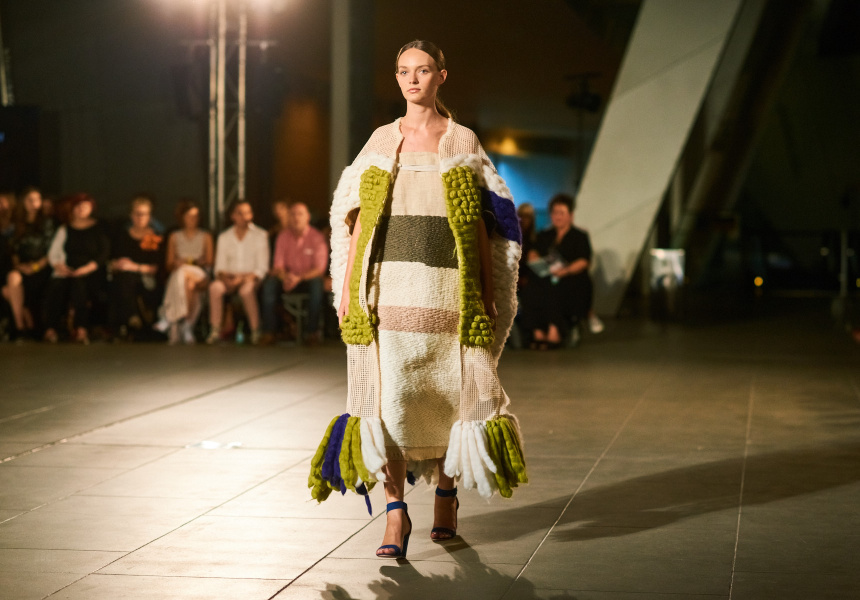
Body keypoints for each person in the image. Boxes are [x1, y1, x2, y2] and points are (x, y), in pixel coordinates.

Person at [308, 40, 528, 559]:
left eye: (423, 70)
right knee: (391, 400)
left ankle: (446, 498)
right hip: (389, 289)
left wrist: (488, 289)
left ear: (441, 76)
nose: (412, 79)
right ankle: (395, 513)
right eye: (404, 71)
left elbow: (486, 221)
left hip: (450, 290)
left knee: (452, 395)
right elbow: (354, 219)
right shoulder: (382, 141)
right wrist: (347, 286)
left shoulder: (462, 140)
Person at [521, 193, 601, 349]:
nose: (557, 217)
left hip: (571, 278)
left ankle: (554, 329)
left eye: (561, 213)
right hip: (547, 276)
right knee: (531, 288)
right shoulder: (545, 235)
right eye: (555, 213)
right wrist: (534, 256)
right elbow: (534, 252)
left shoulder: (579, 236)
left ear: (570, 215)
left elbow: (584, 261)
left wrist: (565, 271)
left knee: (556, 287)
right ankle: (537, 331)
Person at [44, 193, 110, 343]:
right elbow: (53, 252)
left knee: (79, 287)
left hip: (91, 271)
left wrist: (87, 268)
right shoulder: (65, 228)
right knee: (56, 286)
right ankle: (50, 329)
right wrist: (59, 266)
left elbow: (104, 252)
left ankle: (81, 329)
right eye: (78, 206)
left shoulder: (98, 228)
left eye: (85, 207)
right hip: (67, 269)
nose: (81, 209)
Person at [260, 202, 328, 345]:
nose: (296, 218)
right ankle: (269, 332)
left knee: (317, 284)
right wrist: (286, 277)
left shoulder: (316, 237)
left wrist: (299, 278)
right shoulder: (283, 237)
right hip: (288, 278)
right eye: (293, 214)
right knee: (269, 285)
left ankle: (312, 332)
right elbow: (278, 265)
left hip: (307, 279)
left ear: (308, 217)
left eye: (300, 214)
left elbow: (319, 269)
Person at [207, 199, 269, 344]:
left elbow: (262, 267)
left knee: (246, 291)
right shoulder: (224, 237)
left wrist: (243, 279)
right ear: (233, 216)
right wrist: (226, 279)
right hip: (229, 277)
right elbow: (219, 267)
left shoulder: (260, 235)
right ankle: (215, 329)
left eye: (247, 213)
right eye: (240, 213)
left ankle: (255, 330)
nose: (244, 217)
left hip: (251, 277)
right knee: (215, 288)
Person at [155, 199, 213, 344]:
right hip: (181, 277)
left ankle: (169, 317)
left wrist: (187, 261)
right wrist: (178, 263)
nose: (193, 219)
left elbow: (209, 261)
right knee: (188, 284)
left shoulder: (205, 236)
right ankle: (187, 324)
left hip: (200, 274)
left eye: (196, 216)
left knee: (182, 272)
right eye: (189, 216)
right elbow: (169, 264)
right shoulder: (174, 237)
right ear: (182, 218)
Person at [1, 187, 55, 340]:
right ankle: (20, 327)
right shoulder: (16, 224)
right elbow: (13, 250)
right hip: (22, 268)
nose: (34, 203)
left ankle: (28, 324)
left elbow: (51, 251)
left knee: (8, 291)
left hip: (42, 268)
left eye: (37, 199)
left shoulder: (47, 223)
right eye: (30, 200)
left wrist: (36, 266)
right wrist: (19, 265)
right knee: (11, 280)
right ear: (23, 202)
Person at [109, 196, 164, 340]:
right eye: (137, 214)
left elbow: (154, 268)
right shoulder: (122, 236)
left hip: (147, 278)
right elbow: (113, 259)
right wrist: (117, 264)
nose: (140, 218)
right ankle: (130, 319)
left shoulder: (153, 237)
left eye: (144, 214)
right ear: (131, 215)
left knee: (127, 278)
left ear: (149, 216)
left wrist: (133, 267)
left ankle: (134, 318)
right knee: (123, 279)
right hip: (124, 278)